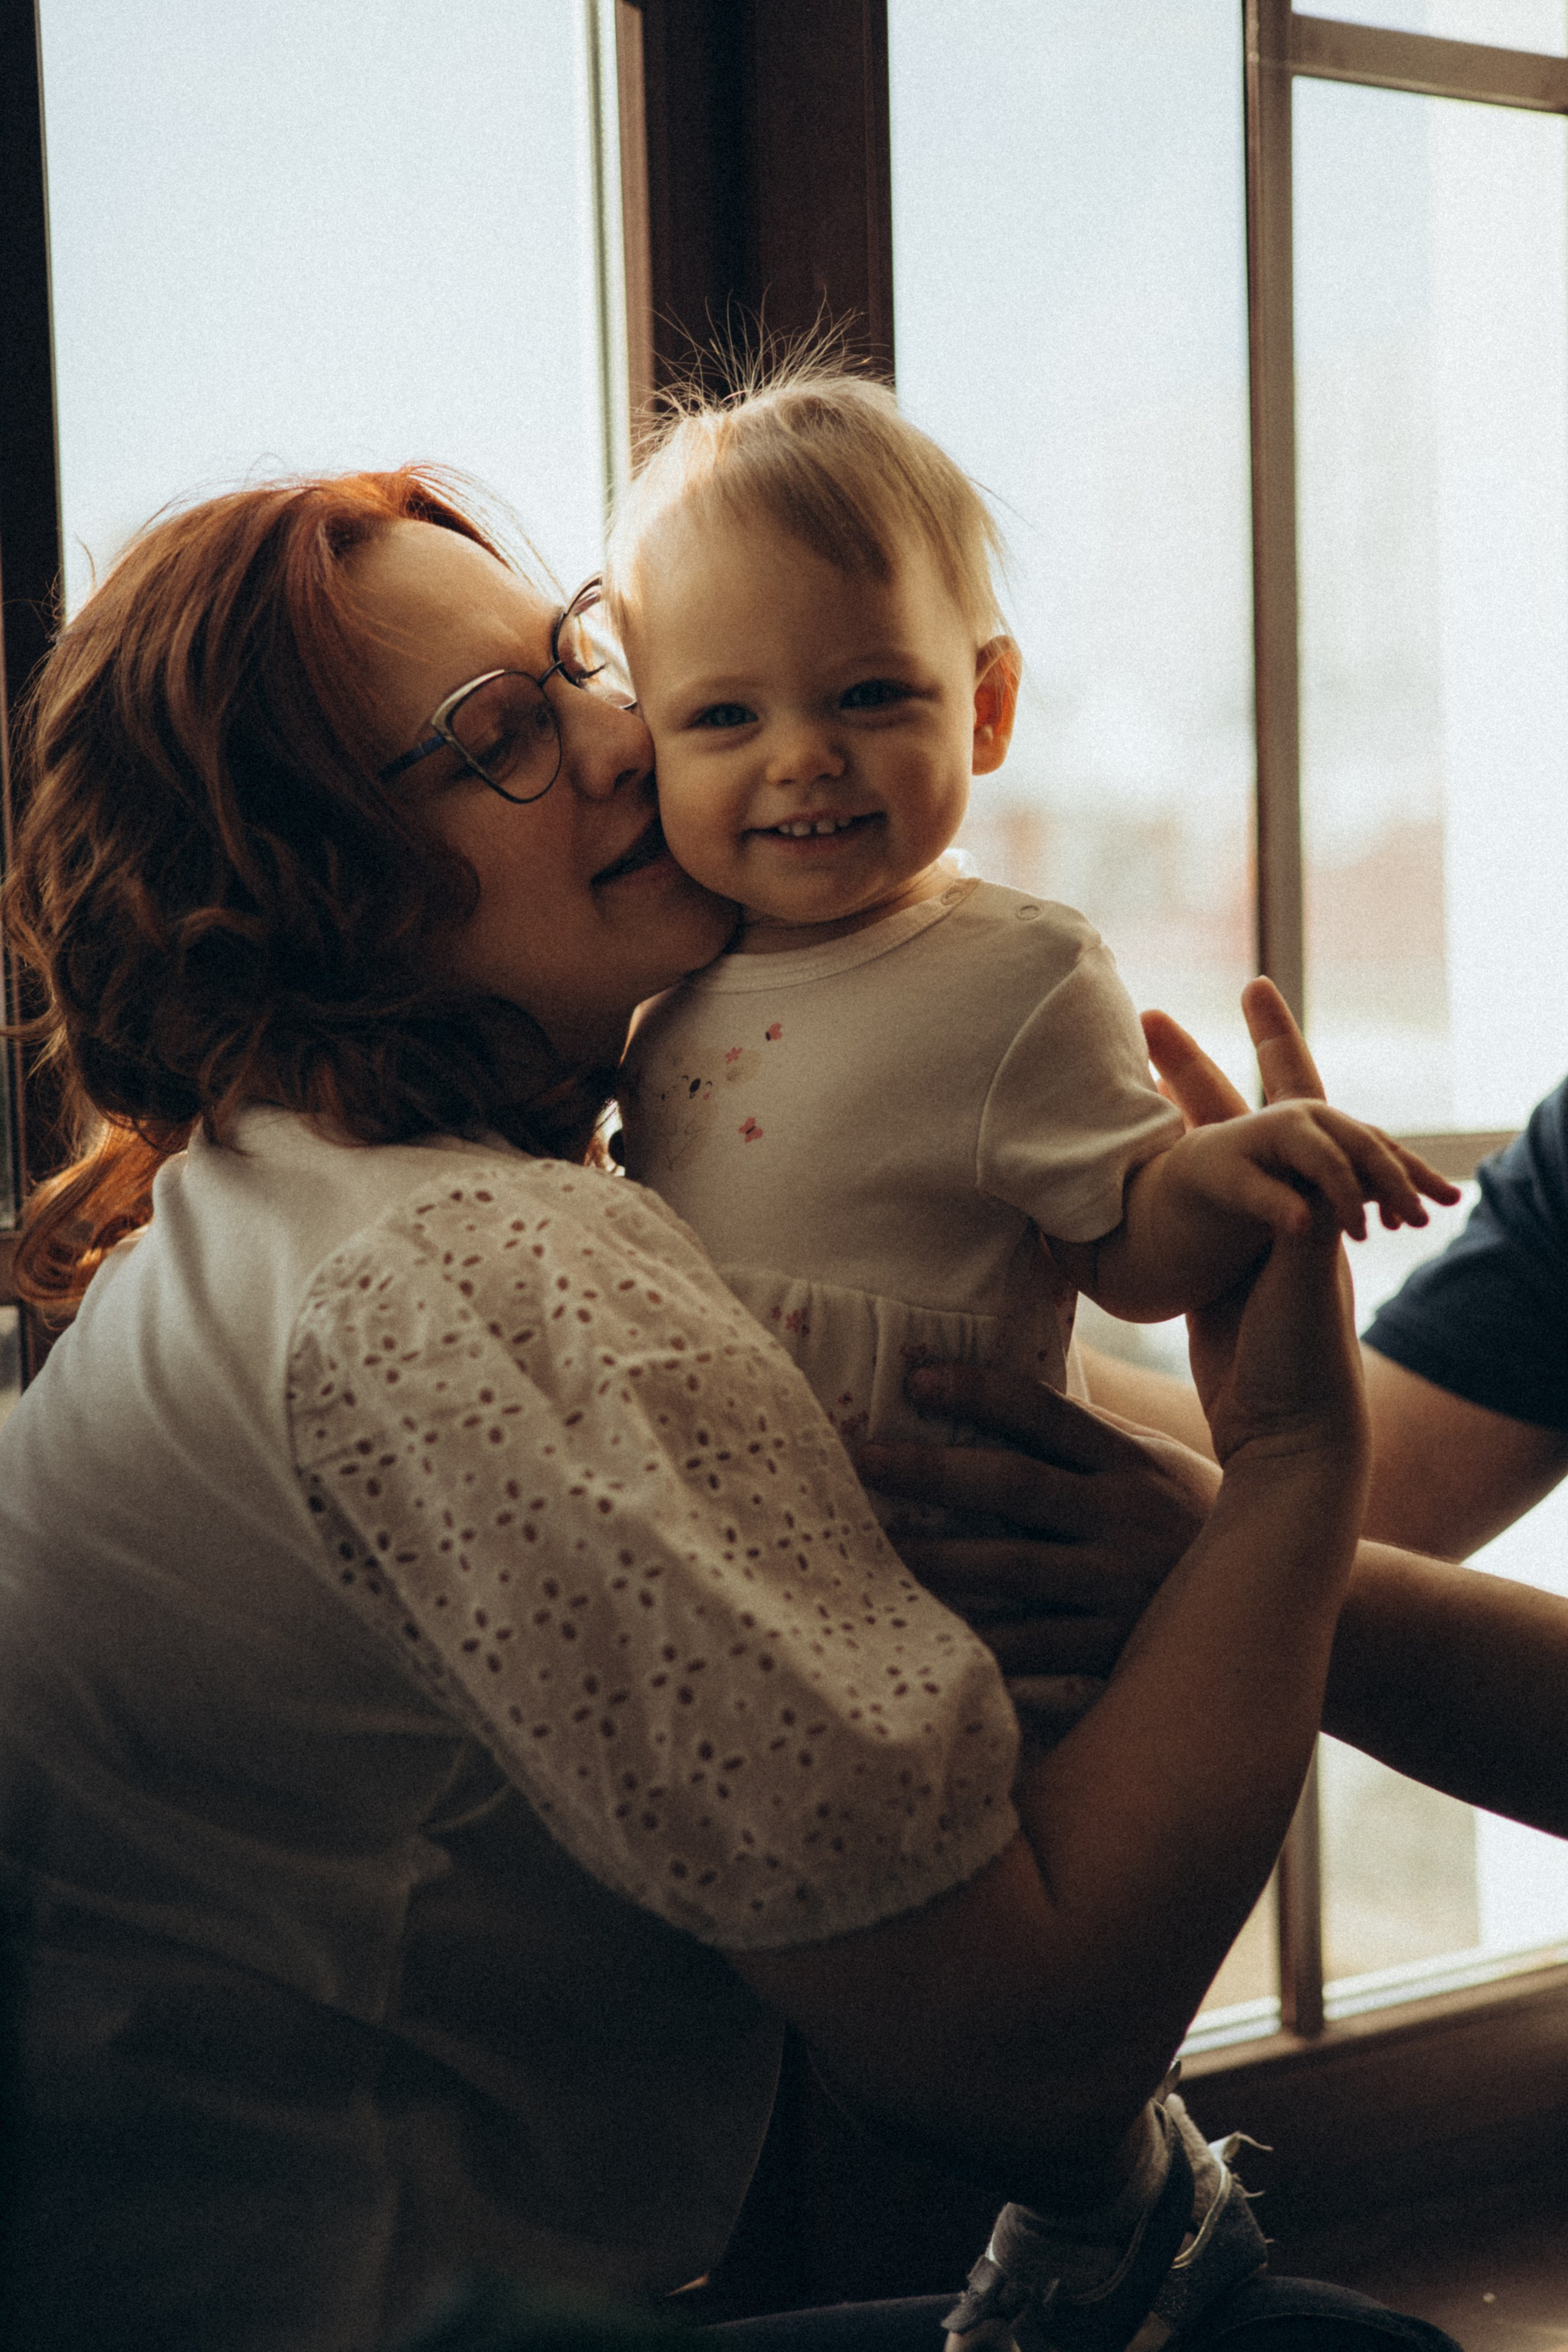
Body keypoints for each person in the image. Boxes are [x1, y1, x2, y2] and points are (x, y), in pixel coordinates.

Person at [0, 464, 1457, 2352]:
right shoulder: (477, 1278)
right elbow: (1016, 2063)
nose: (625, 739)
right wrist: (1289, 1469)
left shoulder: (281, 1196)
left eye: (580, 664)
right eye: (503, 735)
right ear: (304, 879)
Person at [612, 369, 1456, 1526]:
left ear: (988, 707)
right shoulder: (654, 981)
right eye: (724, 716)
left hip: (947, 1557)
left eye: (868, 694)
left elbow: (1123, 1255)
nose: (802, 756)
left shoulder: (1018, 972)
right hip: (704, 1538)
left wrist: (1220, 1179)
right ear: (641, 742)